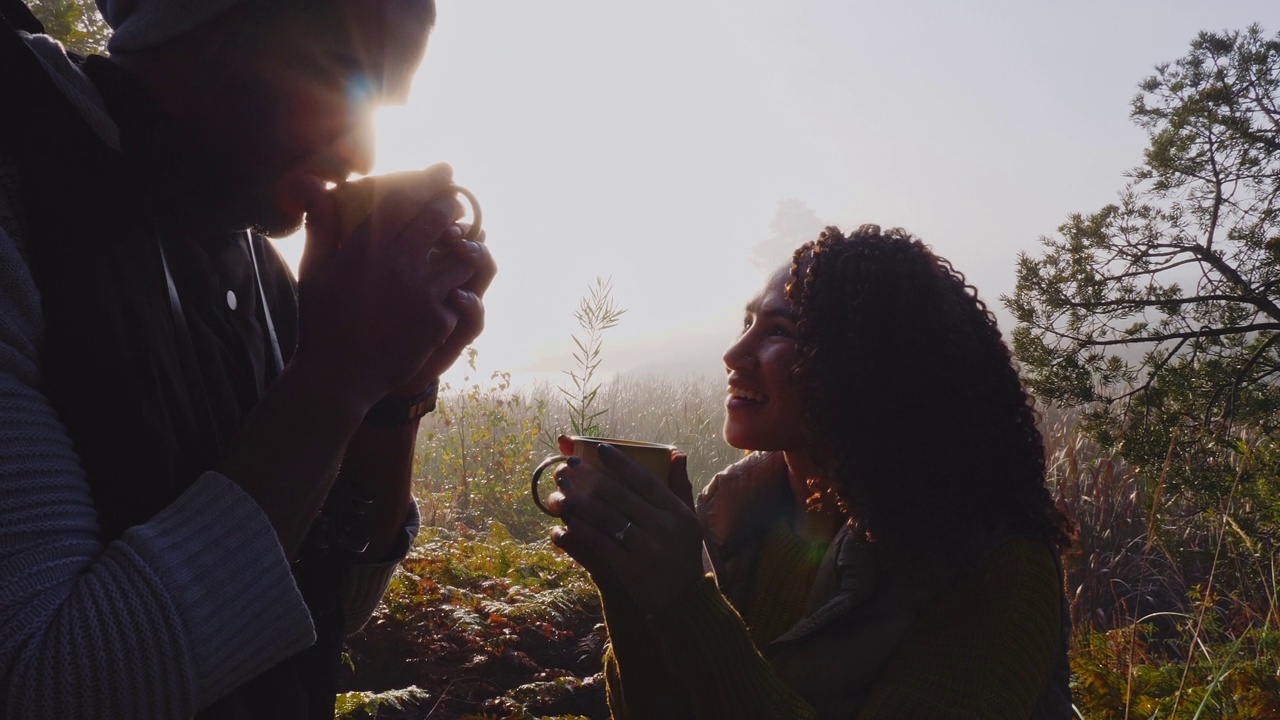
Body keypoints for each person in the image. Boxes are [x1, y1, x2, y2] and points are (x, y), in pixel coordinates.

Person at [0, 0, 495, 717]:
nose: (361, 153)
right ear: (196, 21)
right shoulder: (21, 214)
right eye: (343, 75)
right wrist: (338, 379)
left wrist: (395, 393)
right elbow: (53, 685)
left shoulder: (263, 272)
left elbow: (330, 604)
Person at [549, 224, 1073, 719]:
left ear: (873, 365)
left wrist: (686, 601)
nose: (734, 353)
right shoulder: (732, 512)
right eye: (747, 323)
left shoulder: (993, 563)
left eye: (779, 330)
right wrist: (629, 590)